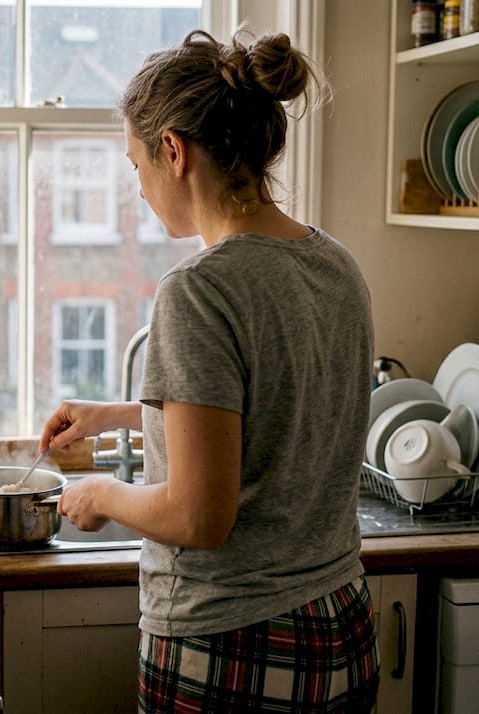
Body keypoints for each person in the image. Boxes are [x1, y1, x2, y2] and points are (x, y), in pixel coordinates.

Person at [38, 27, 379, 712]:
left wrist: (102, 494)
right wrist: (122, 414)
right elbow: (273, 405)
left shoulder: (199, 289)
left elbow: (198, 515)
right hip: (341, 625)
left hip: (234, 642)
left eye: (136, 166)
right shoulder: (335, 264)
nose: (137, 188)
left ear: (174, 151)